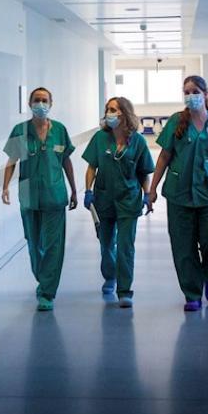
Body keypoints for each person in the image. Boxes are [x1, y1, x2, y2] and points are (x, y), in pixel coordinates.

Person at [146, 75, 208, 311]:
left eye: (195, 91)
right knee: (183, 246)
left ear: (205, 94)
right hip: (179, 194)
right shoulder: (177, 122)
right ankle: (192, 294)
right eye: (186, 92)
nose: (190, 96)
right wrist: (153, 188)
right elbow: (164, 156)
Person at [1, 87, 78, 311]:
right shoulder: (20, 131)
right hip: (29, 196)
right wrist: (5, 186)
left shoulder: (60, 130)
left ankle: (47, 292)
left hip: (55, 196)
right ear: (29, 103)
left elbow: (66, 161)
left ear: (51, 104)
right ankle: (42, 279)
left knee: (53, 246)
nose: (41, 104)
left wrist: (74, 189)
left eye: (45, 100)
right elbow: (11, 160)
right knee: (34, 244)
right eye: (37, 100)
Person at [82, 97, 154, 308]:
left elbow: (143, 173)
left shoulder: (138, 142)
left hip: (129, 200)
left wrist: (147, 195)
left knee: (125, 246)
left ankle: (125, 290)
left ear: (124, 113)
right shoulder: (99, 138)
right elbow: (91, 167)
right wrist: (87, 190)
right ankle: (110, 276)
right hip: (103, 198)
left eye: (113, 109)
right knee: (106, 244)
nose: (109, 113)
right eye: (107, 109)